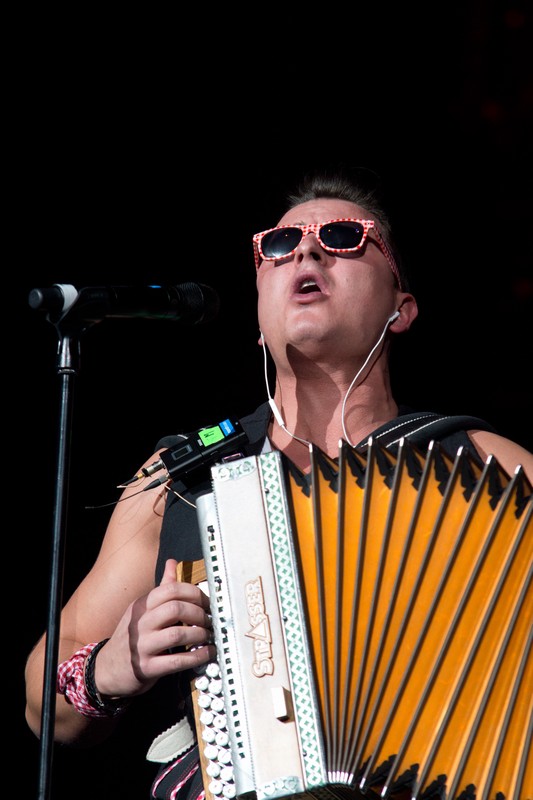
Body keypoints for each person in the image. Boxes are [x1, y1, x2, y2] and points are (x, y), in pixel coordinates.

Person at [25, 166, 533, 800]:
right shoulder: (179, 480)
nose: (306, 253)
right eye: (279, 244)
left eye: (344, 236)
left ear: (401, 309)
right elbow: (42, 700)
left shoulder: (489, 469)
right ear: (260, 314)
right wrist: (111, 666)